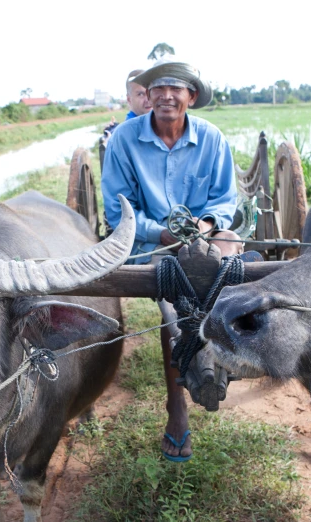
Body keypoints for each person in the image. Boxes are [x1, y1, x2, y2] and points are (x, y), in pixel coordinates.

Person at [101, 57, 242, 462]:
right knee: (173, 303)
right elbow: (117, 211)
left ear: (190, 97)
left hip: (206, 240)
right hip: (151, 244)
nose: (166, 95)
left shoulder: (212, 139)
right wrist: (162, 234)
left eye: (175, 88)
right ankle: (176, 409)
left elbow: (224, 202)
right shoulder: (124, 140)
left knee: (228, 247)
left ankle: (217, 352)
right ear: (148, 96)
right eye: (158, 88)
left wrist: (207, 223)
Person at [102, 69, 153, 141]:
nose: (148, 99)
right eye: (141, 94)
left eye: (150, 92)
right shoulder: (125, 135)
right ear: (129, 99)